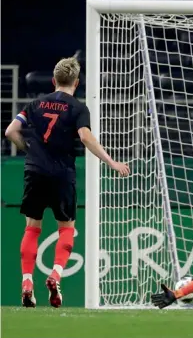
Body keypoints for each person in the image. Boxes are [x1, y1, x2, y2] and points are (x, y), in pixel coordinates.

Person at [5, 57, 130, 308]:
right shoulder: (77, 108)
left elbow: (10, 132)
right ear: (77, 82)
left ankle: (27, 281)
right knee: (66, 229)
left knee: (32, 228)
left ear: (53, 80)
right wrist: (112, 162)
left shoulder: (34, 104)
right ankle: (55, 274)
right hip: (62, 174)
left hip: (35, 171)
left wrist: (27, 148)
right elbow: (85, 137)